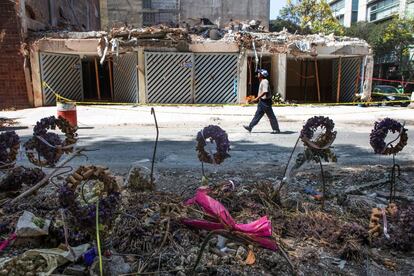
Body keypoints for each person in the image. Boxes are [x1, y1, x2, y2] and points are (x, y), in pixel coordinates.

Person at [244, 69, 280, 134]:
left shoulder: (265, 81)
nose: (258, 74)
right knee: (257, 115)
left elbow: (265, 91)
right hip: (262, 102)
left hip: (266, 102)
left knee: (271, 116)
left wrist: (257, 98)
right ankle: (250, 127)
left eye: (259, 73)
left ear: (262, 75)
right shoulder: (262, 81)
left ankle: (276, 129)